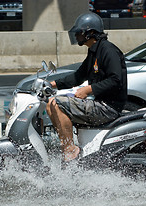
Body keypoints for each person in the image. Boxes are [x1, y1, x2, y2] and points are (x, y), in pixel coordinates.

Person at [46, 12, 127, 166]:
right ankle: (66, 148)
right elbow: (78, 76)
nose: (76, 36)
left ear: (90, 33)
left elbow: (116, 80)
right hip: (99, 104)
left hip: (107, 107)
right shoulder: (94, 52)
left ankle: (70, 150)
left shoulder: (108, 51)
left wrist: (89, 89)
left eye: (79, 33)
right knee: (50, 105)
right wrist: (52, 84)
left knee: (57, 103)